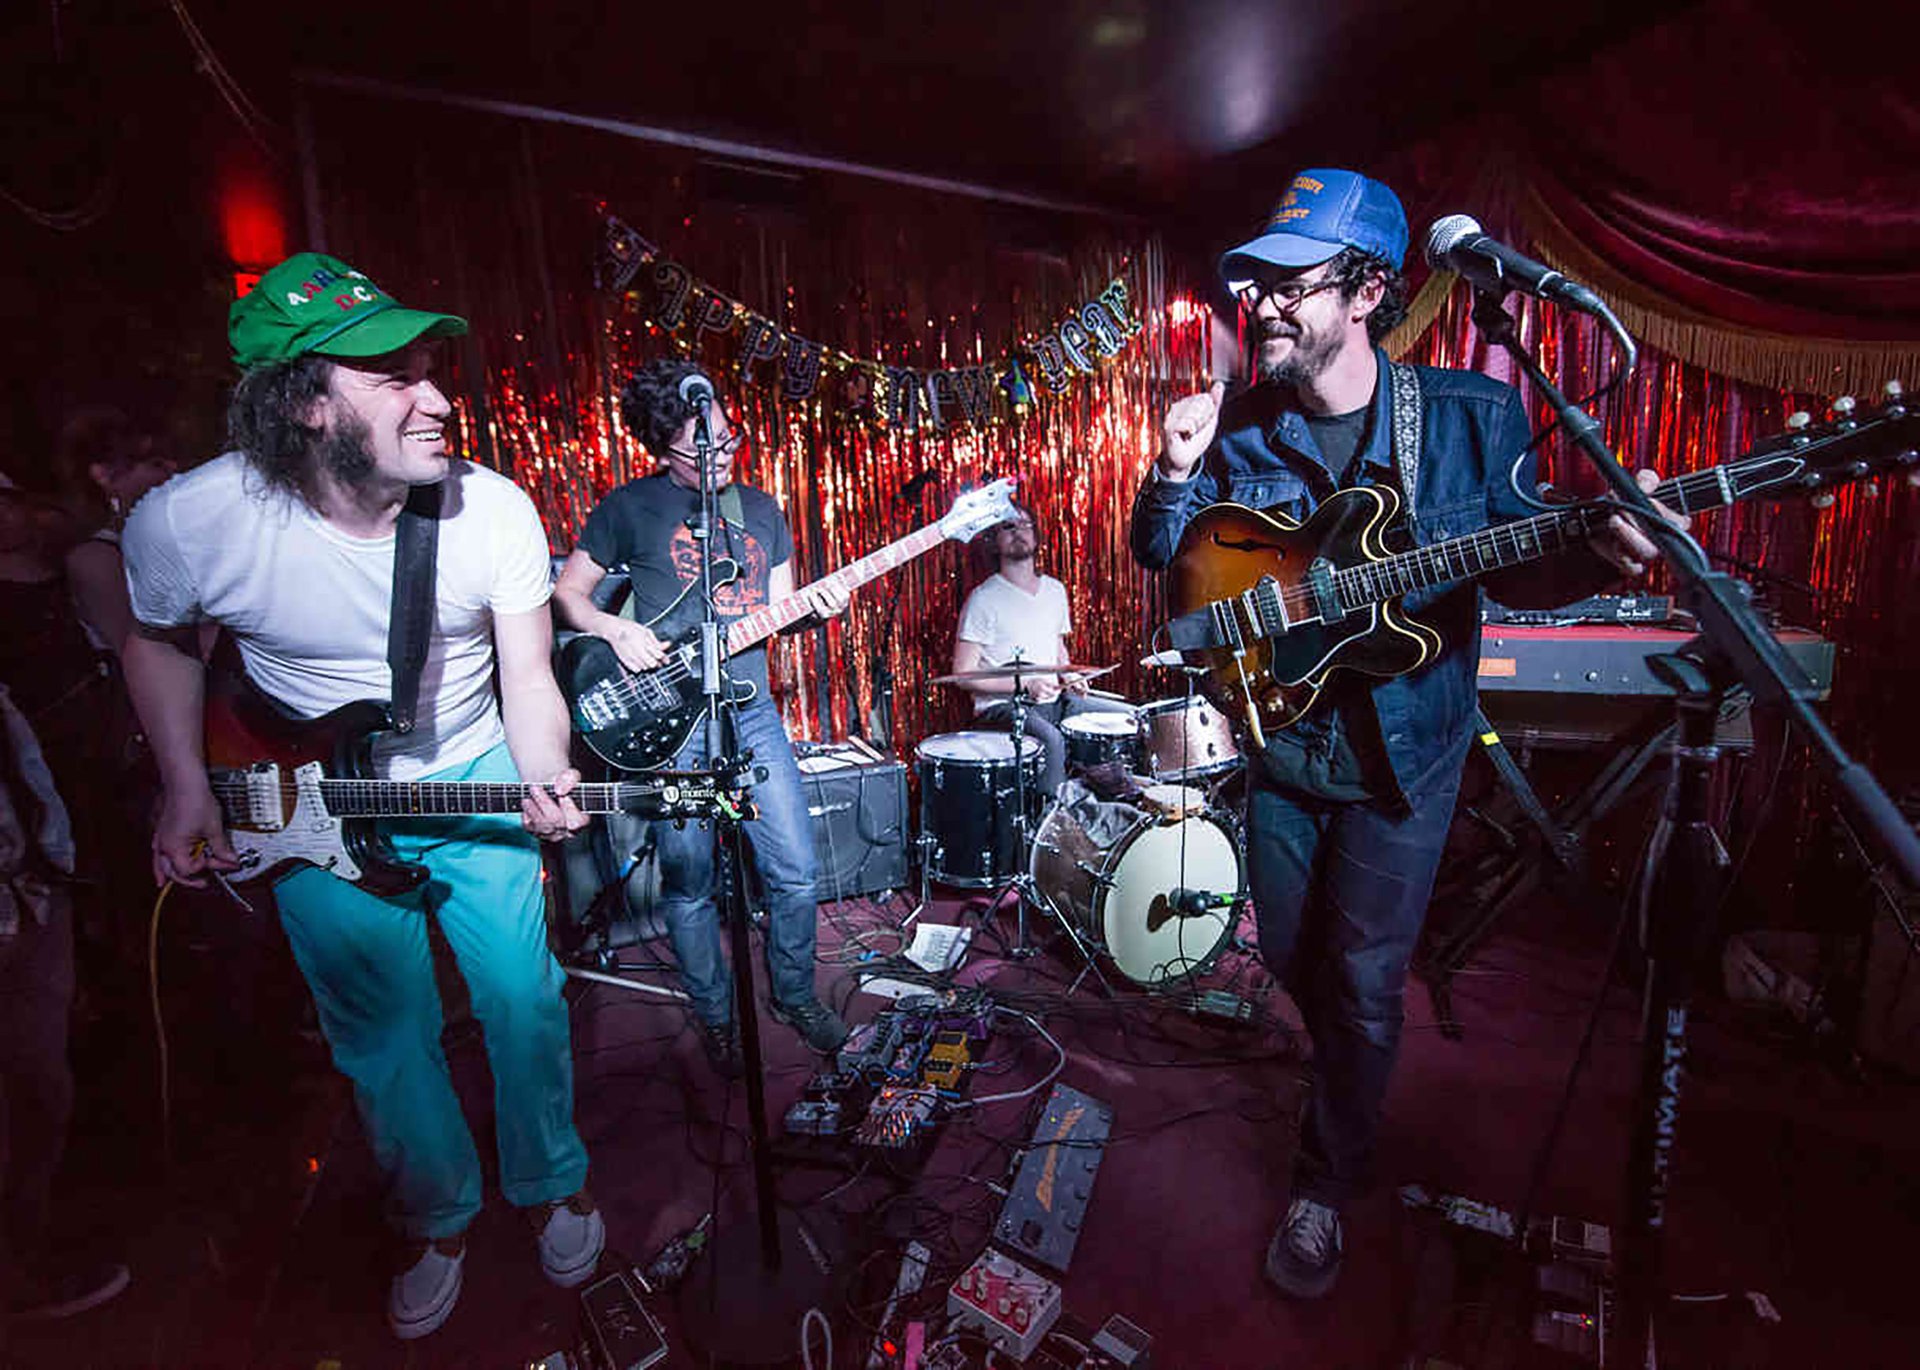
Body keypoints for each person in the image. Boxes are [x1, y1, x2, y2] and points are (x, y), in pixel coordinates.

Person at [1131, 169, 1685, 1300]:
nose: (1267, 305)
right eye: (1261, 285)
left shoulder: (1470, 419)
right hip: (1284, 746)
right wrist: (1175, 469)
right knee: (1293, 957)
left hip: (1407, 755)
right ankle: (1340, 1065)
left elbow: (1529, 547)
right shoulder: (1242, 433)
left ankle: (1326, 1180)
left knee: (1368, 982)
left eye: (1294, 285)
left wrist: (1598, 544)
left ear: (1370, 290)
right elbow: (1171, 565)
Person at [118, 252, 601, 1340]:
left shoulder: (492, 512)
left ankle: (552, 1180)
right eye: (392, 375)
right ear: (304, 404)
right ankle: (436, 1218)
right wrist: (185, 783)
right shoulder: (190, 522)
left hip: (472, 770)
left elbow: (529, 676)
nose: (436, 395)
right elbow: (151, 638)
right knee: (383, 1034)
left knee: (523, 998)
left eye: (430, 367)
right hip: (305, 795)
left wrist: (541, 767)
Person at [552, 359, 852, 1074]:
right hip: (671, 720)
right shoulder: (628, 508)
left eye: (727, 437)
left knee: (796, 871)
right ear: (664, 452)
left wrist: (818, 611)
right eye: (702, 447)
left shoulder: (765, 511)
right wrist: (613, 630)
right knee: (689, 880)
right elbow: (568, 596)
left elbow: (779, 614)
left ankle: (793, 995)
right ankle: (716, 1015)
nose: (721, 454)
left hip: (751, 715)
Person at [949, 504, 1132, 798]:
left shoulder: (1055, 591)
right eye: (1007, 527)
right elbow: (963, 675)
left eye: (1025, 525)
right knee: (1051, 739)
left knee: (1129, 718)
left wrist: (1072, 676)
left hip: (1055, 700)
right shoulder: (982, 599)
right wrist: (1025, 684)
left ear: (1036, 536)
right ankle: (1052, 827)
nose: (1018, 532)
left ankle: (1118, 811)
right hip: (1002, 708)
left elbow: (1058, 651)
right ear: (994, 541)